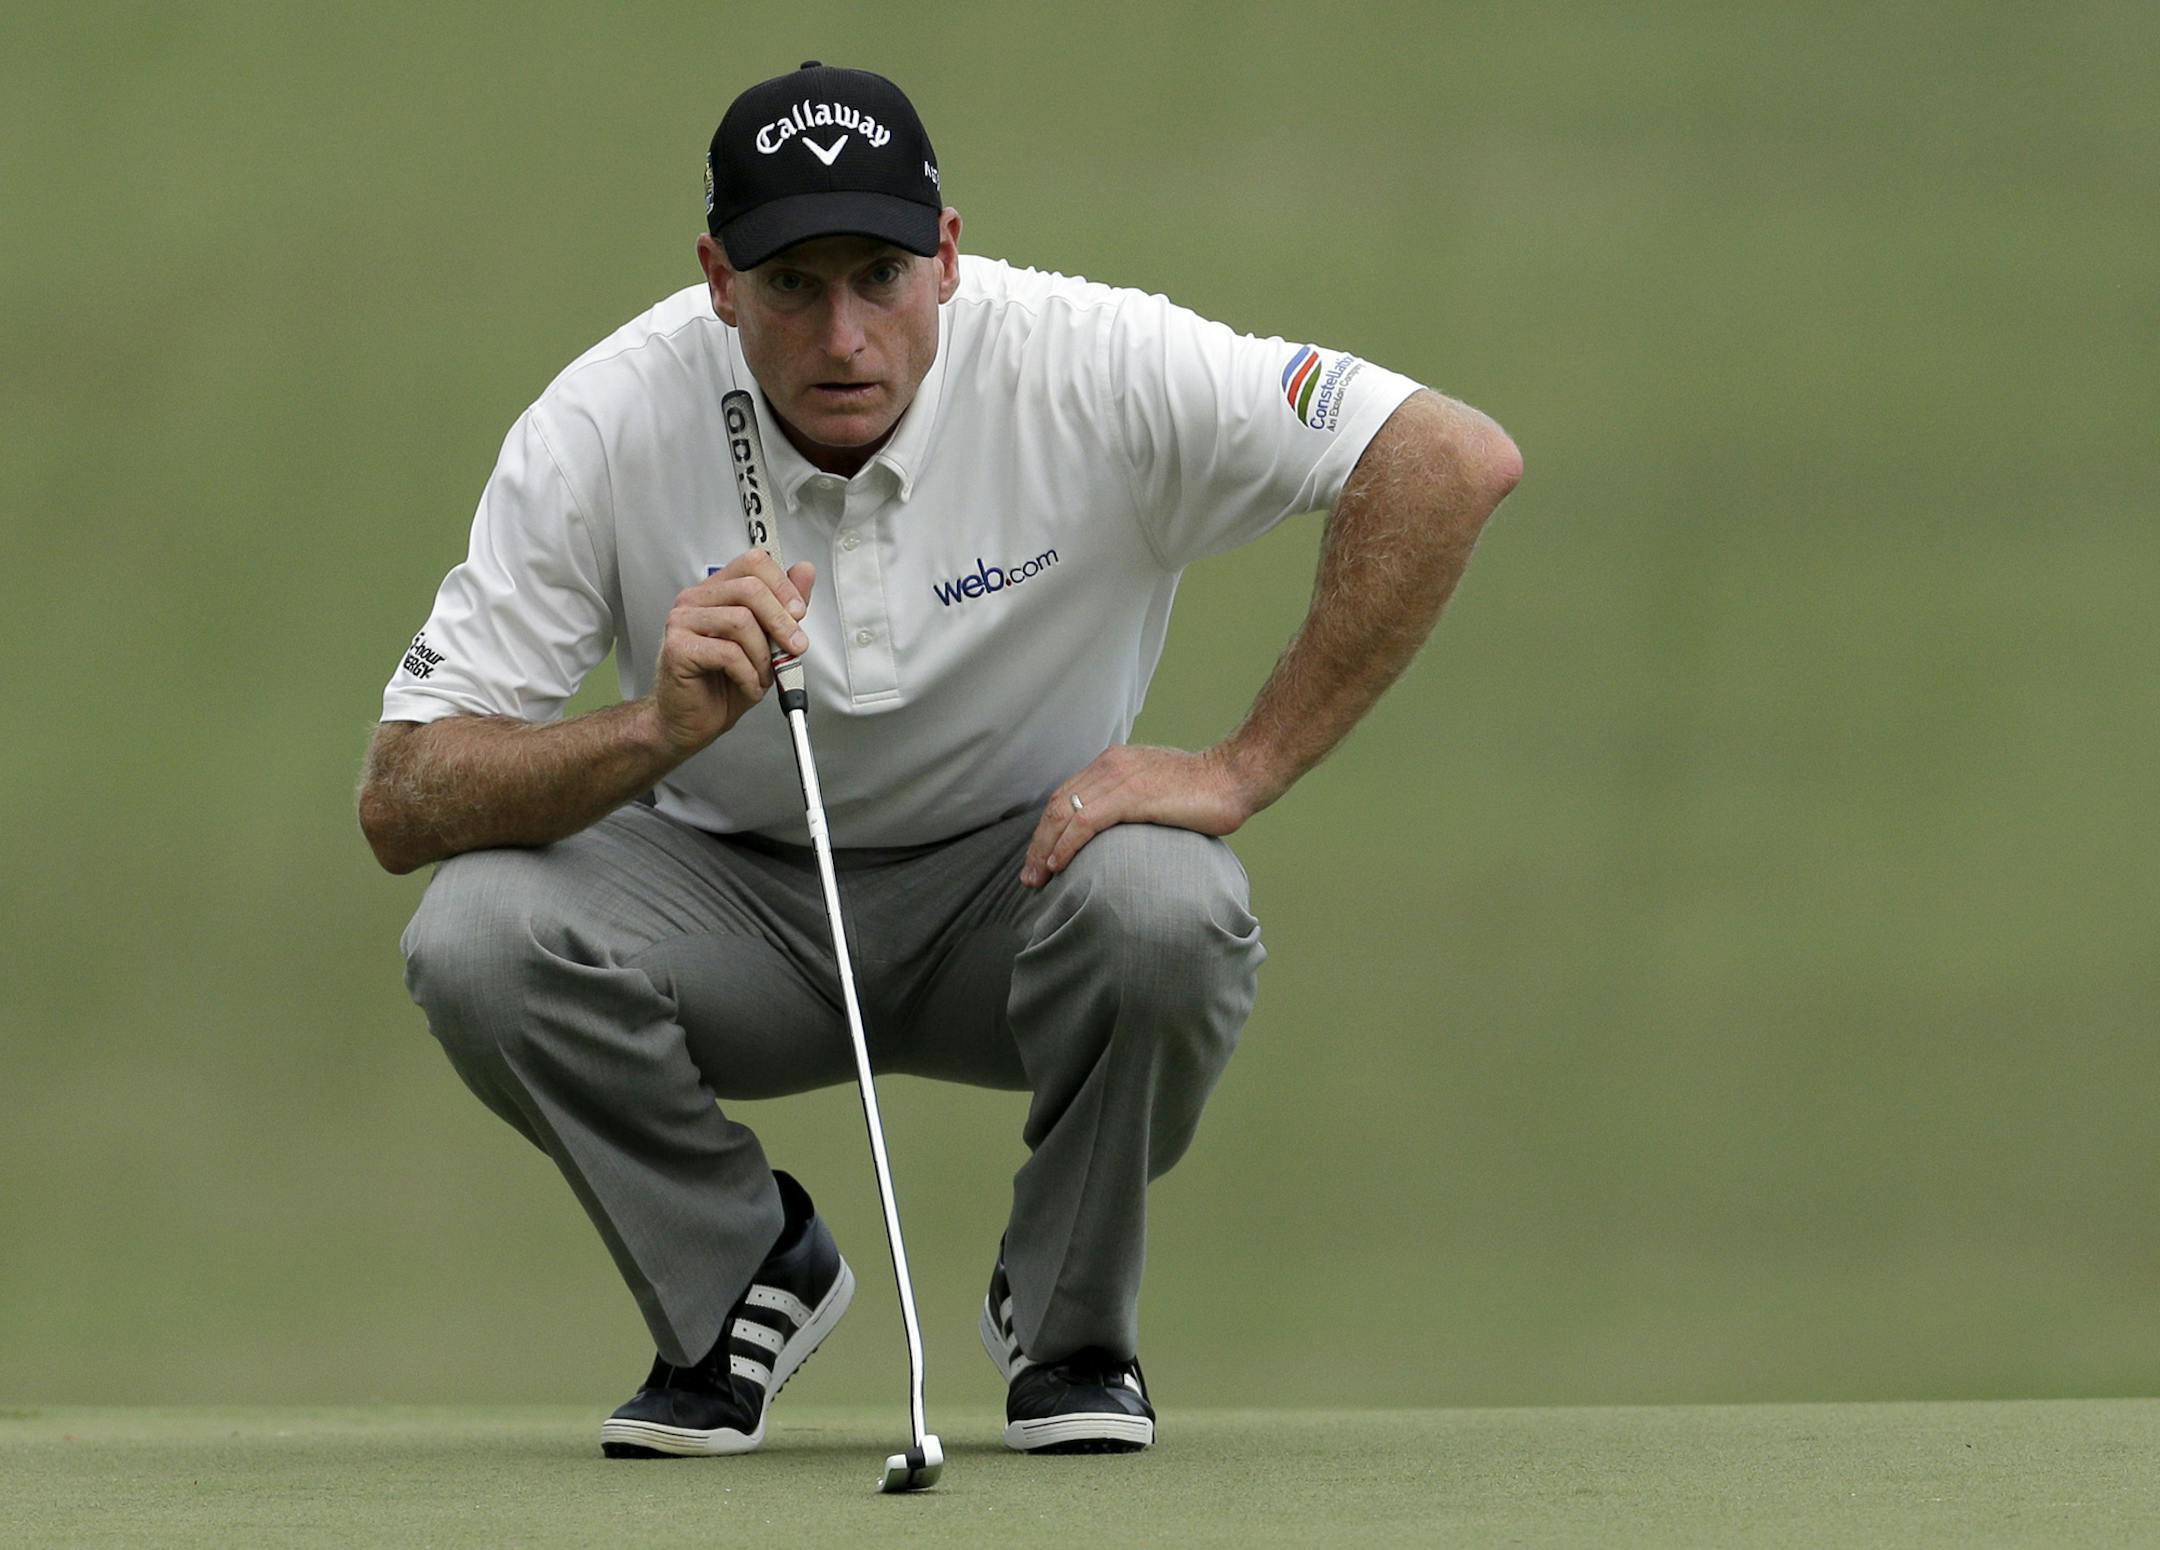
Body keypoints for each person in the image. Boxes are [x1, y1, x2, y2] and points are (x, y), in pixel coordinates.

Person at [358, 61, 1521, 1461]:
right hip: (726, 905)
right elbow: (405, 794)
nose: (844, 335)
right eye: (793, 285)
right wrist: (653, 731)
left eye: (882, 277)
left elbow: (1448, 457)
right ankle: (738, 1280)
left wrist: (1242, 766)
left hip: (1025, 890)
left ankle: (1069, 1323)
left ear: (949, 257)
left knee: (1172, 904)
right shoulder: (605, 418)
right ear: (720, 278)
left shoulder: (1087, 360)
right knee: (476, 935)